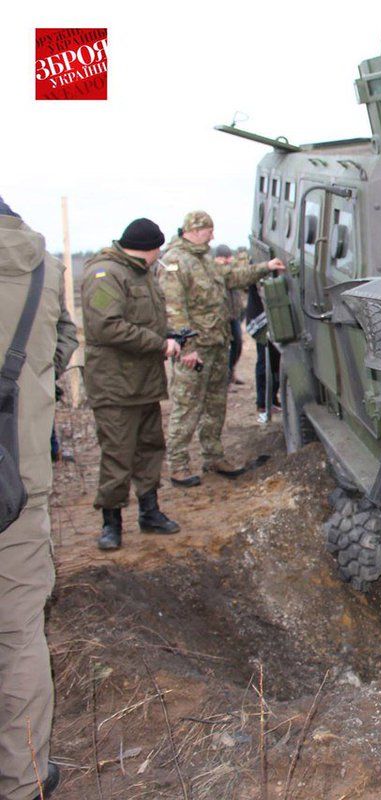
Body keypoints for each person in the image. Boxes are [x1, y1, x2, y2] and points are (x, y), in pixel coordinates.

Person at [0, 196, 75, 798]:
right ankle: (24, 779)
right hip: (16, 480)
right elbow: (63, 345)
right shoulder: (43, 266)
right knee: (20, 634)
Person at [160, 211, 284, 485]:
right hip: (194, 351)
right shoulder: (175, 262)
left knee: (216, 405)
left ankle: (213, 456)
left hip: (217, 345)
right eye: (208, 231)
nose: (213, 236)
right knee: (187, 406)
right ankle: (178, 466)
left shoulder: (204, 258)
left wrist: (265, 267)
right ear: (194, 230)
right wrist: (187, 347)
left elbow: (232, 277)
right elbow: (174, 309)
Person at [81, 218, 183, 551]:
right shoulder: (105, 274)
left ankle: (149, 513)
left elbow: (147, 320)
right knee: (118, 455)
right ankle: (111, 523)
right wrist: (158, 344)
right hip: (115, 387)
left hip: (143, 383)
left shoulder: (142, 273)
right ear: (150, 249)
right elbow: (106, 327)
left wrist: (168, 336)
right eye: (158, 250)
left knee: (150, 448)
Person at [244, 280, 281, 423]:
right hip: (262, 320)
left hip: (267, 318)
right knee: (265, 362)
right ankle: (264, 403)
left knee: (272, 361)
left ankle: (271, 400)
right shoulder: (259, 269)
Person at [213, 244, 245, 385]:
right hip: (222, 317)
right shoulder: (214, 272)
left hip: (234, 315)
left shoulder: (231, 271)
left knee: (237, 344)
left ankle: (231, 371)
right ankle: (224, 377)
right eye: (224, 258)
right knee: (223, 349)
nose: (227, 261)